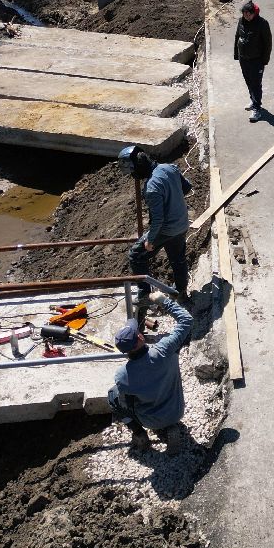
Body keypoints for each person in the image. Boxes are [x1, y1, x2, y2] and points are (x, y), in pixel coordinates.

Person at [108, 295, 193, 452]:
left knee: (113, 395)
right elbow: (186, 320)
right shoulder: (164, 349)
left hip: (149, 421)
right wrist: (163, 300)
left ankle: (139, 433)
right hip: (176, 411)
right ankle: (170, 427)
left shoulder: (122, 375)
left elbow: (126, 402)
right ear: (141, 336)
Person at [118, 145, 192, 316]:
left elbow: (158, 220)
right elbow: (187, 187)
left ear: (138, 168)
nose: (133, 176)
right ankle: (181, 292)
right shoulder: (169, 167)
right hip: (182, 224)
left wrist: (150, 240)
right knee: (178, 260)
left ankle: (145, 294)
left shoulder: (151, 188)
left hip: (167, 229)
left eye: (132, 172)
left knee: (136, 256)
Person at [233, 0, 272, 121]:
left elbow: (268, 44)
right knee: (248, 81)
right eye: (244, 14)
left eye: (248, 14)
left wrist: (264, 61)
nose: (246, 16)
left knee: (256, 84)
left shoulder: (262, 23)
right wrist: (236, 54)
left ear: (254, 13)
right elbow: (237, 37)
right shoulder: (241, 21)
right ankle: (253, 100)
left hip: (257, 60)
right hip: (243, 58)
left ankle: (257, 109)